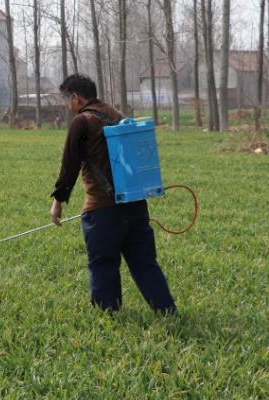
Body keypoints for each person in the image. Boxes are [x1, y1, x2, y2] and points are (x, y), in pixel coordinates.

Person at [50, 74, 176, 314]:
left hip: (102, 210)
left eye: (67, 100)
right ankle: (166, 310)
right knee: (145, 263)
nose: (68, 107)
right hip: (135, 204)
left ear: (76, 97)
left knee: (103, 265)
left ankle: (108, 315)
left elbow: (69, 167)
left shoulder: (82, 121)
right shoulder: (118, 116)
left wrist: (57, 202)